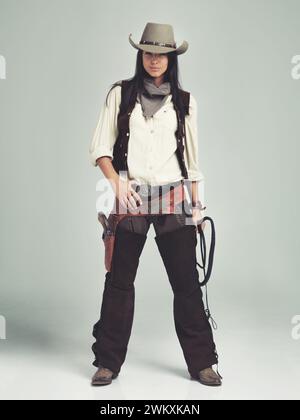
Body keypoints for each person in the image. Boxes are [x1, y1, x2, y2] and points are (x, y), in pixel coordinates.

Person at [89, 22, 222, 387]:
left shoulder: (185, 102)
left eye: (161, 54)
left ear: (170, 58)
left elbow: (192, 163)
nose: (154, 60)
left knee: (186, 283)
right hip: (131, 196)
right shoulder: (120, 94)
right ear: (141, 55)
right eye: (148, 53)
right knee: (119, 282)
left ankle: (202, 362)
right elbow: (100, 148)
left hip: (173, 197)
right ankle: (108, 362)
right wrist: (117, 184)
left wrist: (198, 209)